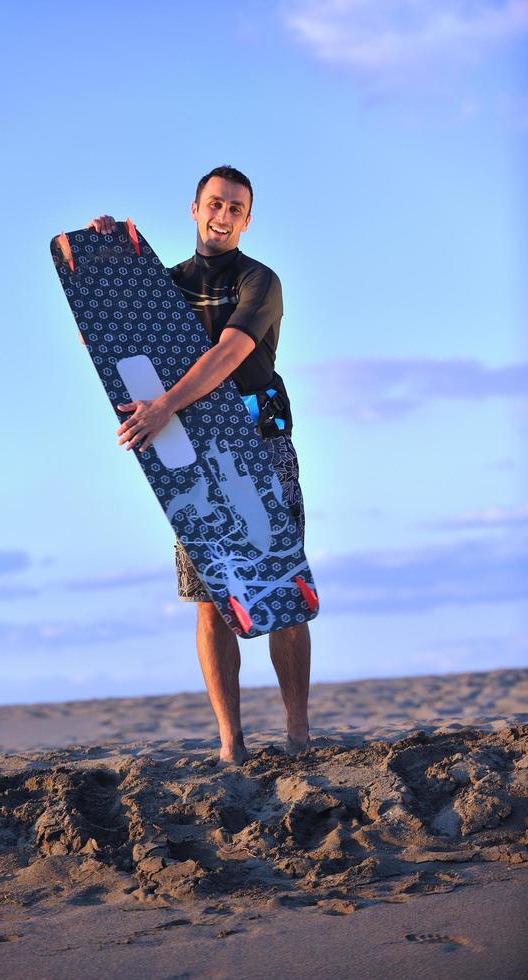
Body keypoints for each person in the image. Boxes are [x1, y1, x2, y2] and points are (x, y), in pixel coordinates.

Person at [89, 165, 312, 765]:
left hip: (259, 439)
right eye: (215, 203)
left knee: (282, 583)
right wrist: (107, 254)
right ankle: (231, 744)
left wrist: (161, 405)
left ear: (247, 219)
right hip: (191, 449)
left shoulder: (260, 281)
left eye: (236, 208)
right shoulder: (166, 284)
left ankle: (297, 735)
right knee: (211, 596)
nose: (224, 214)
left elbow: (229, 353)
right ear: (194, 209)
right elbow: (107, 335)